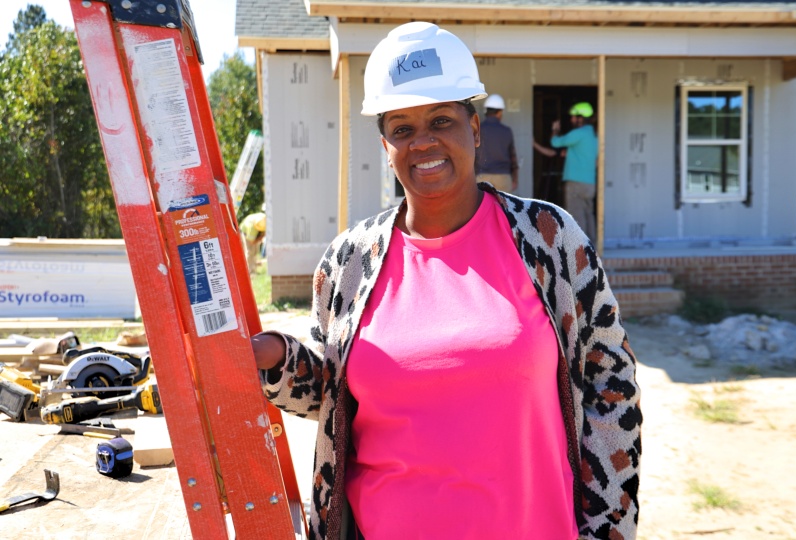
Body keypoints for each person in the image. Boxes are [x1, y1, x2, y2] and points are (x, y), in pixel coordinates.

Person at [252, 22, 641, 540]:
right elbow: (330, 396)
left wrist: (608, 529)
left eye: (441, 120)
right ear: (385, 144)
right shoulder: (348, 263)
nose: (423, 142)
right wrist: (275, 357)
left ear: (475, 130)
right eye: (402, 128)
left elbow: (611, 388)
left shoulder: (549, 241)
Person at [550, 102, 599, 245]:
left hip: (576, 182)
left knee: (576, 217)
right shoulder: (595, 134)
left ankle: (581, 249)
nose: (571, 120)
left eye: (574, 117)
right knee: (589, 215)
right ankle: (593, 247)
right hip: (590, 183)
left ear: (581, 118)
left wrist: (555, 130)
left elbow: (556, 143)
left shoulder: (578, 133)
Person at [476, 93, 519, 192]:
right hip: (503, 178)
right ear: (499, 112)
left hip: (482, 177)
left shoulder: (478, 130)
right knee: (502, 207)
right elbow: (513, 158)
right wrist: (515, 179)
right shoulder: (507, 131)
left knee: (484, 207)